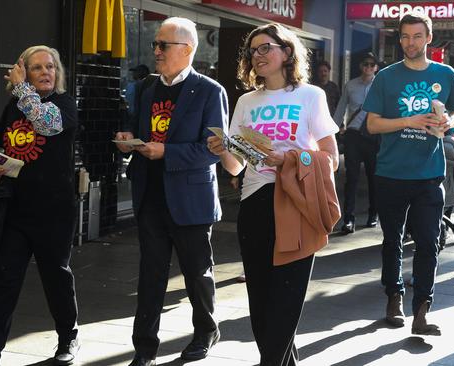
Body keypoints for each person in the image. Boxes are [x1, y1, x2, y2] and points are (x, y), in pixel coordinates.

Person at [207, 23, 339, 366]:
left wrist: (290, 158)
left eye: (265, 48)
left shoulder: (311, 96)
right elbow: (236, 168)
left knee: (286, 300)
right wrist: (223, 149)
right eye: (253, 50)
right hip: (254, 203)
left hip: (295, 203)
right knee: (262, 302)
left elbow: (331, 158)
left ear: (287, 51)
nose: (257, 55)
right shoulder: (247, 100)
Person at [114, 17, 228, 366]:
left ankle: (205, 331)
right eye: (156, 45)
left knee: (196, 273)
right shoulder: (148, 88)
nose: (157, 51)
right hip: (151, 194)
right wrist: (127, 141)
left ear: (188, 49)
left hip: (190, 198)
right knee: (151, 274)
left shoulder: (210, 90)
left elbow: (214, 149)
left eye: (164, 45)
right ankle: (144, 347)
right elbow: (142, 130)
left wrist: (168, 152)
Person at [0, 45, 80, 366]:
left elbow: (47, 125)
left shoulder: (64, 104)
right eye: (37, 68)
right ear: (24, 72)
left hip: (53, 211)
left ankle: (67, 338)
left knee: (56, 278)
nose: (46, 72)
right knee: (5, 282)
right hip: (16, 210)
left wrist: (22, 90)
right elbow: (4, 149)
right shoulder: (13, 108)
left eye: (51, 67)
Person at [364, 11, 454, 336]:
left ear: (428, 38)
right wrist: (409, 121)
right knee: (392, 240)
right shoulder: (387, 76)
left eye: (417, 36)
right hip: (391, 172)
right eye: (405, 36)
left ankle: (422, 310)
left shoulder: (446, 73)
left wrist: (449, 121)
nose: (410, 42)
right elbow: (372, 123)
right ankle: (394, 296)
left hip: (429, 173)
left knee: (428, 243)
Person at [333, 52, 380, 234]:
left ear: (376, 67)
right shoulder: (351, 85)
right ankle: (348, 219)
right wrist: (332, 132)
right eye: (365, 64)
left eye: (371, 64)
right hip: (353, 135)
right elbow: (341, 108)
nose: (368, 67)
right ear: (361, 66)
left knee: (373, 178)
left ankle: (372, 214)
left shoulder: (381, 84)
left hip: (374, 135)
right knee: (351, 179)